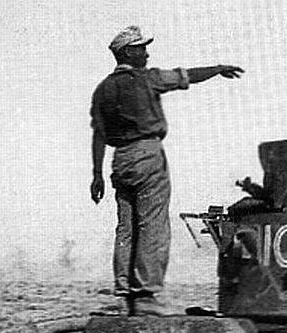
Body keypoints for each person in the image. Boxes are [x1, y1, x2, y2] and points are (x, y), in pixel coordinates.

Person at [90, 25, 243, 316]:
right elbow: (186, 76)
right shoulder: (147, 79)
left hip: (119, 160)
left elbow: (98, 134)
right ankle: (146, 296)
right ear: (127, 53)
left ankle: (123, 297)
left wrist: (96, 175)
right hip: (147, 155)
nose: (146, 53)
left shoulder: (104, 89)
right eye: (141, 48)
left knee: (126, 228)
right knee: (153, 225)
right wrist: (219, 68)